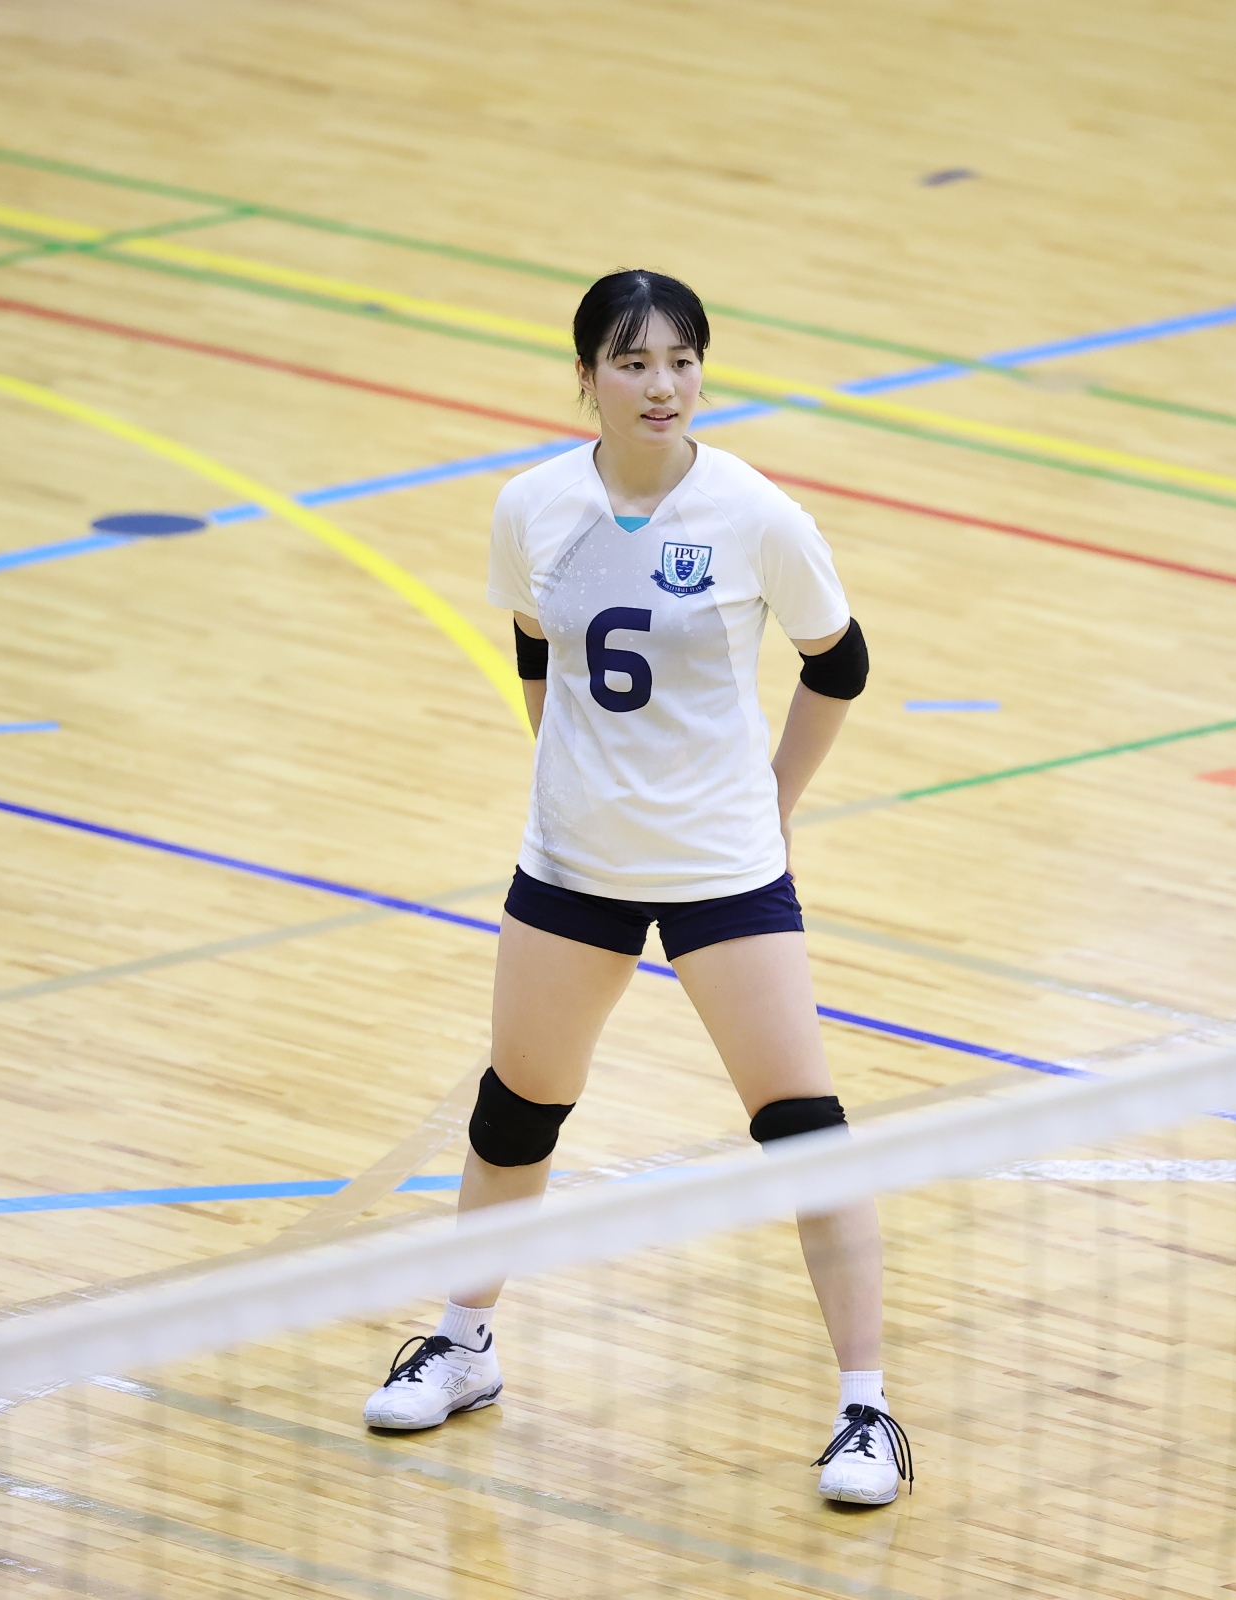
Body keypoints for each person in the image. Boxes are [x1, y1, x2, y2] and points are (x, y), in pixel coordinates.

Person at [359, 269, 908, 1505]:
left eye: (682, 360)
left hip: (723, 869)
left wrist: (772, 802)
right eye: (633, 361)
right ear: (587, 377)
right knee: (515, 1114)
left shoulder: (756, 514)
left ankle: (867, 1409)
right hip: (573, 867)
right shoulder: (533, 506)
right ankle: (464, 1343)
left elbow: (841, 662)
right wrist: (568, 774)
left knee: (805, 1131)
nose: (663, 385)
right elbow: (533, 641)